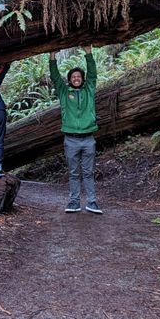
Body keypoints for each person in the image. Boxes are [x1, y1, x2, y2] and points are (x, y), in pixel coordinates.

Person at [50, 47, 102, 214]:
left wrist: (88, 53)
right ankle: (74, 202)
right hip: (71, 139)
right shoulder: (64, 92)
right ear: (69, 80)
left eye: (79, 76)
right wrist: (52, 57)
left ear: (83, 79)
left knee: (88, 172)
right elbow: (55, 77)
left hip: (88, 139)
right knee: (73, 173)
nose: (76, 78)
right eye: (73, 77)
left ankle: (92, 202)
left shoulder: (89, 90)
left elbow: (93, 74)